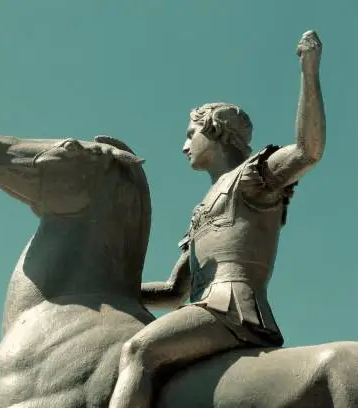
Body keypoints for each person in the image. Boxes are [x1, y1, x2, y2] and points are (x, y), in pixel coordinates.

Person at [109, 30, 325, 408]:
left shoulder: (252, 178)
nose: (184, 144)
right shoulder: (202, 209)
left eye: (191, 133)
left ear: (215, 130)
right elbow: (177, 292)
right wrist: (112, 290)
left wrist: (309, 70)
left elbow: (308, 151)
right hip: (202, 308)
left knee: (138, 351)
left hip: (233, 311)